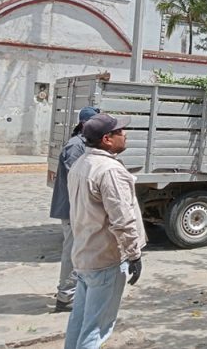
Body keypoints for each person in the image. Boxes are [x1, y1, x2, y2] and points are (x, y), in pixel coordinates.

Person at [64, 113, 146, 349]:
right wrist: (134, 255)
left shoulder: (81, 163)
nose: (125, 135)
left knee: (79, 322)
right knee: (96, 329)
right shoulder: (109, 171)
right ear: (107, 139)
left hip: (85, 256)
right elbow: (122, 220)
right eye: (121, 132)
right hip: (105, 260)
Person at [49, 106, 99, 313]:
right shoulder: (75, 146)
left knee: (79, 252)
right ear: (85, 124)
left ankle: (72, 292)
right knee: (73, 253)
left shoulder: (83, 144)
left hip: (78, 209)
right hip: (73, 210)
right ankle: (65, 297)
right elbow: (76, 180)